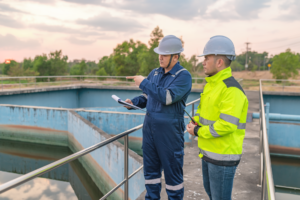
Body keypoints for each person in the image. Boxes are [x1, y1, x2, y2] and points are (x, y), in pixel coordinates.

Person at [125, 35, 192, 200]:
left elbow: (167, 97)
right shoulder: (154, 73)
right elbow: (147, 98)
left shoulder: (184, 76)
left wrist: (143, 82)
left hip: (169, 135)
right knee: (151, 174)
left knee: (173, 178)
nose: (160, 57)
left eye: (164, 54)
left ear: (175, 57)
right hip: (150, 133)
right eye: (159, 54)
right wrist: (132, 103)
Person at [186, 35, 249, 200]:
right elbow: (202, 111)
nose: (203, 62)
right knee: (212, 195)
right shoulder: (212, 85)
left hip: (222, 157)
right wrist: (196, 120)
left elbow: (226, 125)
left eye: (206, 58)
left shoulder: (231, 90)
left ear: (219, 62)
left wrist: (198, 131)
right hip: (209, 154)